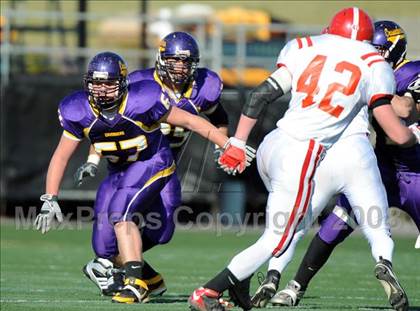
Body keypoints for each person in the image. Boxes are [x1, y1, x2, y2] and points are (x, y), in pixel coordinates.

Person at [188, 7, 419, 311]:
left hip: (273, 143)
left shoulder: (304, 47)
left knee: (281, 228)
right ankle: (208, 291)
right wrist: (413, 133)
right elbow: (398, 134)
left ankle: (244, 283)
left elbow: (260, 95)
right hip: (305, 153)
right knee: (279, 237)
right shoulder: (374, 64)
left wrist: (238, 142)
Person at [33, 51, 253, 304]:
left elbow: (191, 121)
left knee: (128, 216)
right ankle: (150, 280)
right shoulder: (78, 109)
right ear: (87, 83)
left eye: (109, 84)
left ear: (123, 83)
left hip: (152, 162)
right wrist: (50, 198)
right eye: (97, 83)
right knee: (104, 249)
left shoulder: (143, 100)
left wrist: (226, 145)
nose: (102, 90)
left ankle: (135, 283)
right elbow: (61, 156)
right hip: (118, 172)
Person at [257, 20, 419, 310]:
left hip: (416, 174)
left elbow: (406, 108)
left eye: (379, 50)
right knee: (332, 228)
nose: (372, 53)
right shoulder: (367, 68)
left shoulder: (409, 71)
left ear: (394, 49)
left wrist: (372, 89)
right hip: (382, 170)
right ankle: (295, 287)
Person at [74, 32, 230, 298]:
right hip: (126, 165)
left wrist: (222, 144)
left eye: (185, 62)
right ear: (161, 58)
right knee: (105, 241)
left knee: (162, 230)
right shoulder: (140, 84)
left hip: (163, 164)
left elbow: (218, 116)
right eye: (174, 60)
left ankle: (124, 269)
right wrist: (93, 158)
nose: (180, 67)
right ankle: (127, 272)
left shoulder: (204, 87)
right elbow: (105, 126)